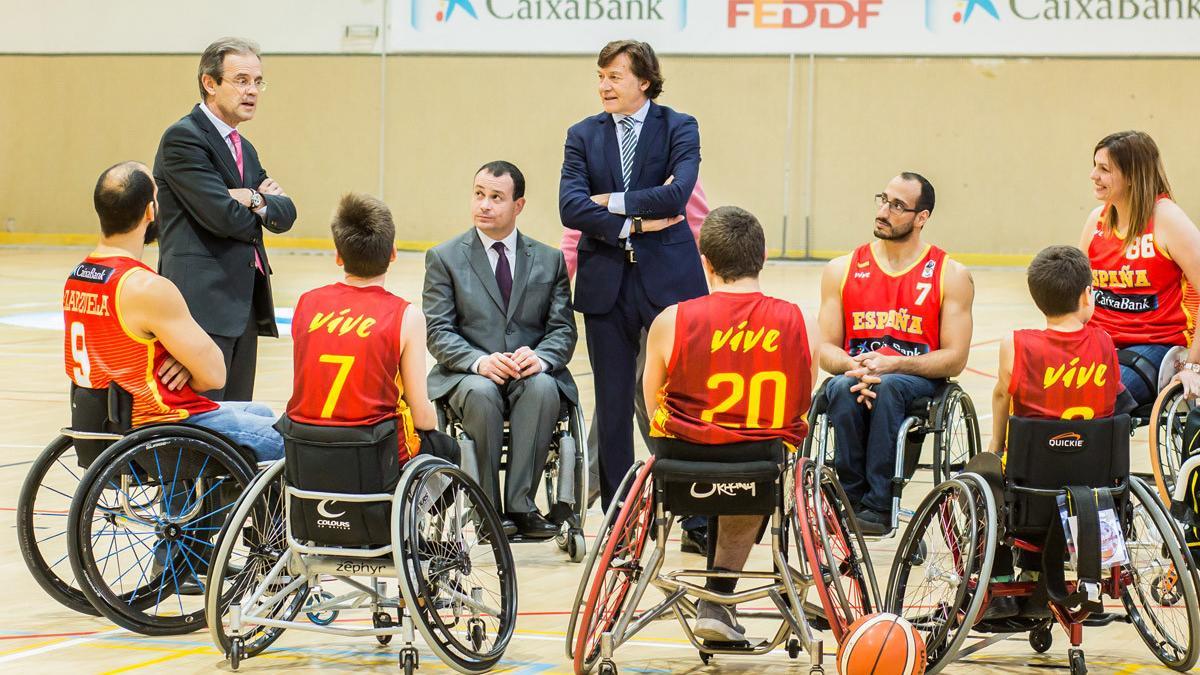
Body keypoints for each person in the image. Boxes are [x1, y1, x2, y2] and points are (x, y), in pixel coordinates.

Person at [643, 206, 812, 643]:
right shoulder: (793, 319)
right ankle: (717, 596)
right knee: (757, 462)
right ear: (764, 256)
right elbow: (800, 402)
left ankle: (702, 591)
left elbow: (650, 403)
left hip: (682, 462)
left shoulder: (672, 320)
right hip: (756, 466)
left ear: (706, 263)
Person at [559, 39, 707, 510]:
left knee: (683, 396)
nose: (604, 85)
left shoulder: (680, 127)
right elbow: (570, 206)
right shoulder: (582, 134)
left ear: (644, 81)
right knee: (613, 403)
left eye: (615, 76)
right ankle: (617, 515)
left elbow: (679, 194)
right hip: (606, 283)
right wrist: (636, 220)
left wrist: (609, 200)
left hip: (671, 281)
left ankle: (693, 510)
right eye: (600, 76)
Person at [63, 161, 283, 462]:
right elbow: (215, 375)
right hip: (162, 425)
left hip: (108, 422)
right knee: (287, 439)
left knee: (259, 412)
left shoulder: (77, 277)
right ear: (151, 212)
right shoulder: (145, 287)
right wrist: (189, 363)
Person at [425, 161, 578, 539]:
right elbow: (438, 331)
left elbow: (562, 329)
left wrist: (540, 358)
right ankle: (487, 509)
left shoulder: (548, 259)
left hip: (528, 373)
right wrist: (478, 361)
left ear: (519, 205)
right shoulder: (444, 258)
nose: (485, 205)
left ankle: (522, 507)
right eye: (479, 194)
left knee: (543, 387)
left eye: (496, 197)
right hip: (469, 375)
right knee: (481, 394)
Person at [816, 172, 974, 535]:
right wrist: (851, 364)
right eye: (883, 200)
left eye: (898, 206)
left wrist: (895, 364)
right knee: (840, 388)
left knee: (888, 387)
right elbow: (825, 348)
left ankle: (880, 504)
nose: (884, 211)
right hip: (857, 375)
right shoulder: (841, 269)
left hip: (914, 380)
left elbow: (955, 358)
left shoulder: (949, 274)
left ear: (922, 217)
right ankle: (849, 500)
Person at [560, 178, 712, 553]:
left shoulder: (674, 172)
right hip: (611, 294)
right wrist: (558, 296)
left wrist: (707, 304)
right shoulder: (595, 162)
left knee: (651, 397)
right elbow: (573, 238)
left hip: (665, 298)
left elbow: (699, 230)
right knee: (624, 397)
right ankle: (608, 497)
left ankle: (587, 494)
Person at [981, 245, 1132, 619]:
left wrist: (996, 447)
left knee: (980, 473)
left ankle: (999, 578)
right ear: (1086, 295)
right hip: (1095, 494)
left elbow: (1002, 395)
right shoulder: (1104, 343)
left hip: (1032, 492)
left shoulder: (1016, 344)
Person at [154, 37, 297, 401]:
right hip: (199, 305)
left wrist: (249, 197)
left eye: (258, 81)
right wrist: (259, 202)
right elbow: (223, 218)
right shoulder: (183, 139)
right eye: (242, 80)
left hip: (242, 305)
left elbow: (286, 214)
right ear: (210, 83)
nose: (252, 91)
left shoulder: (244, 148)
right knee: (200, 429)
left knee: (234, 421)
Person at [286, 193, 437, 466]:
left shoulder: (306, 303)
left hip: (307, 447)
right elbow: (422, 415)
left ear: (338, 256)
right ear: (393, 254)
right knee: (446, 449)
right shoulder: (406, 316)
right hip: (374, 452)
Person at [1078, 130, 1200, 405]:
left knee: (1101, 393)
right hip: (1099, 341)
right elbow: (1076, 292)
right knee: (1037, 382)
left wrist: (1193, 366)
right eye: (1094, 165)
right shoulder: (1096, 220)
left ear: (1132, 176)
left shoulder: (1167, 219)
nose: (1093, 175)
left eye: (1104, 169)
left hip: (1155, 344)